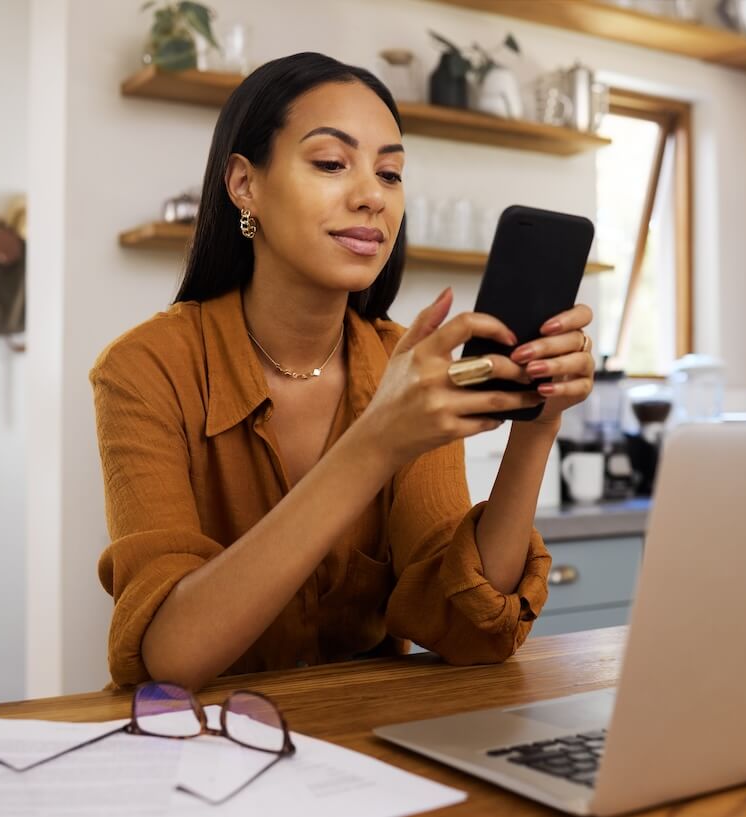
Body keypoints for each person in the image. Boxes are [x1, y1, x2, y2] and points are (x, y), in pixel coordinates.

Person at [91, 52, 596, 690]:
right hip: (197, 750)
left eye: (390, 173)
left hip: (369, 747)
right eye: (332, 163)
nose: (371, 197)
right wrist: (377, 441)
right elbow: (171, 656)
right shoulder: (145, 369)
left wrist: (536, 427)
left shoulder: (404, 363)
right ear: (244, 184)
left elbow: (473, 630)